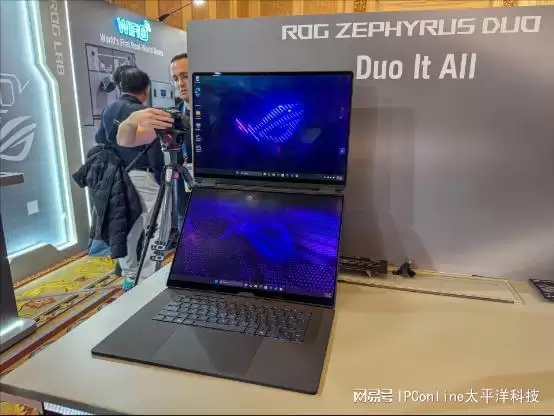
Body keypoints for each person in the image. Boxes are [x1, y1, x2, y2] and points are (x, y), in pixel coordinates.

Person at [95, 65, 174, 290]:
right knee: (157, 225)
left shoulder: (110, 109)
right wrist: (162, 176)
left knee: (127, 224)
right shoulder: (144, 113)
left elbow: (100, 138)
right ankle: (147, 276)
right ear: (146, 89)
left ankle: (130, 274)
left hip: (116, 174)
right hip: (143, 175)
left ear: (120, 86)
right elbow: (153, 149)